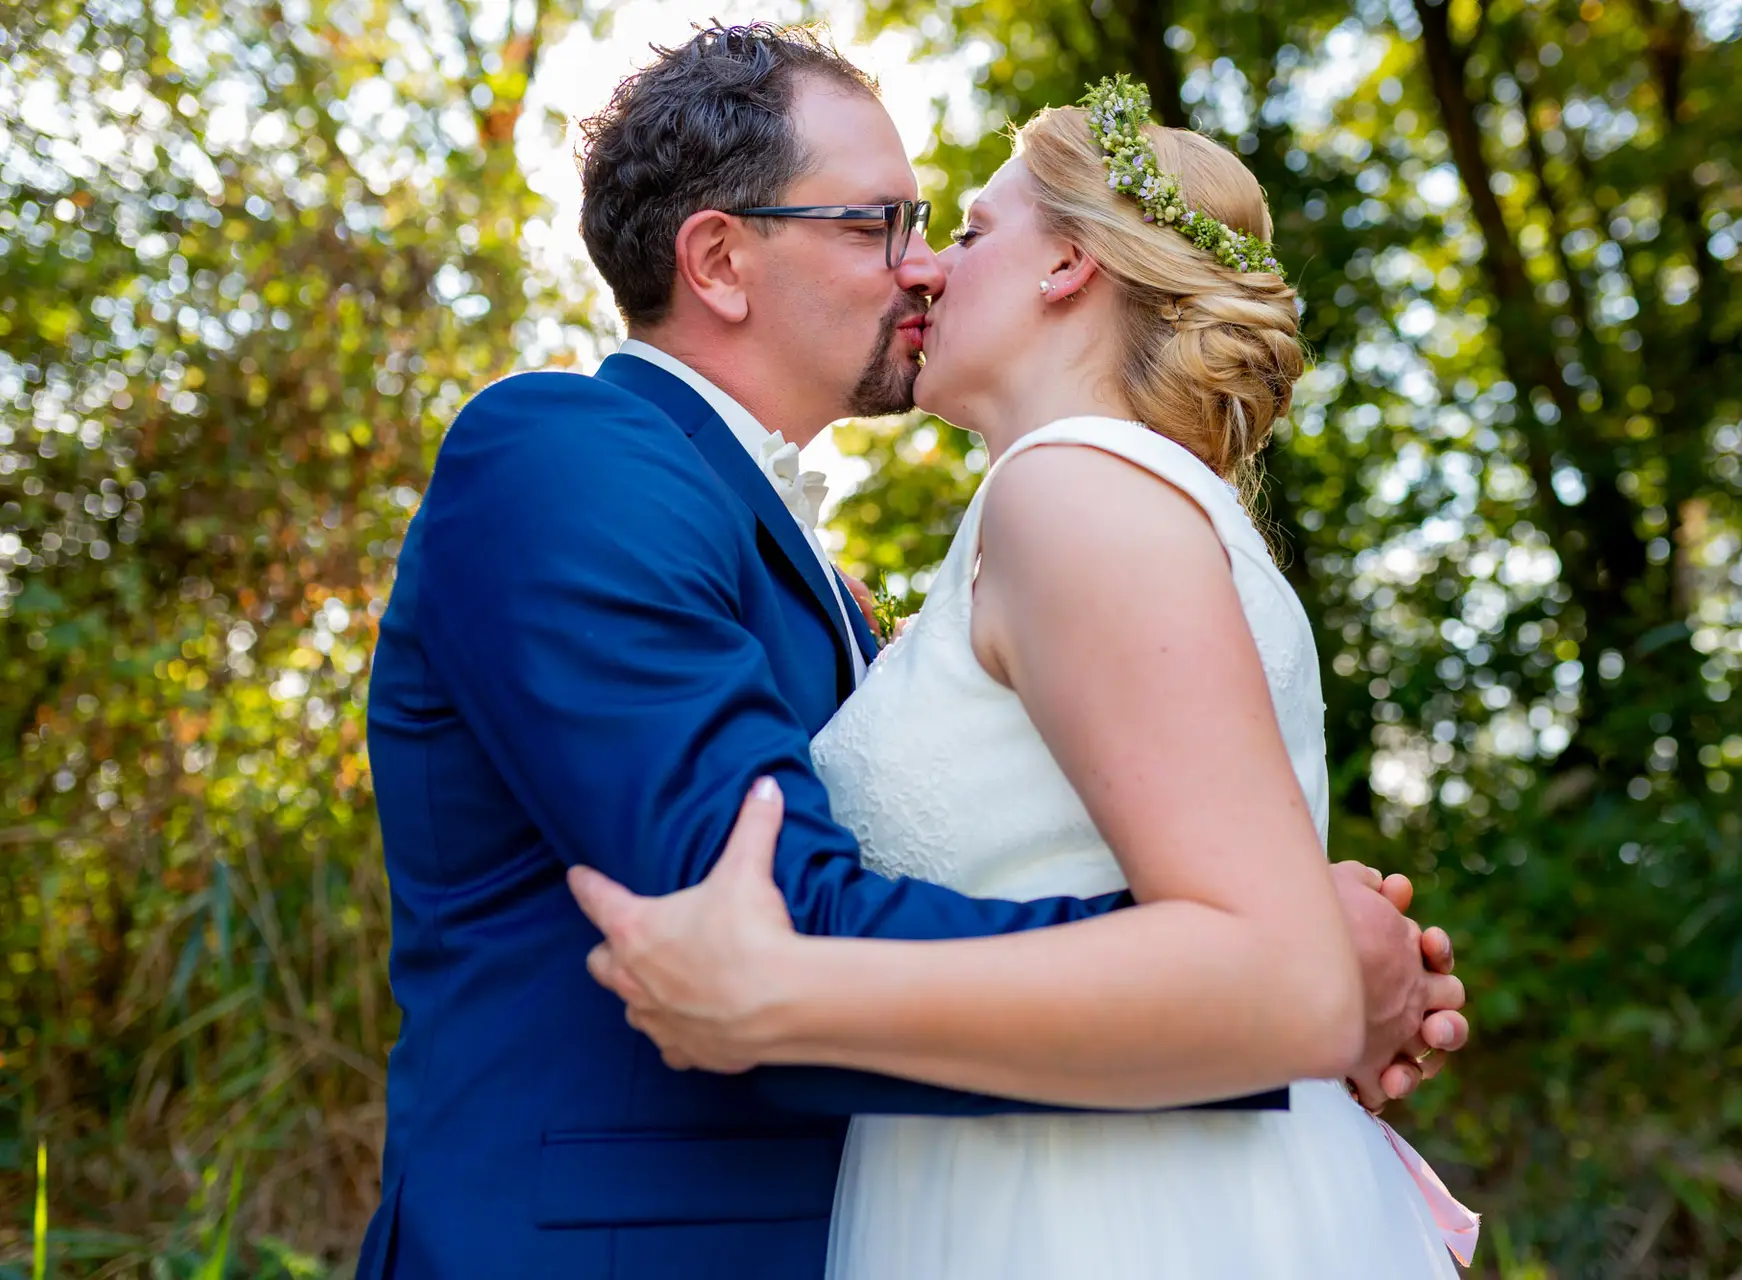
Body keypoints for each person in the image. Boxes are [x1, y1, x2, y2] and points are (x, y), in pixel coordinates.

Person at [356, 24, 1464, 1280]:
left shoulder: (913, 559)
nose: (922, 265)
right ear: (720, 259)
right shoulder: (565, 455)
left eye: (941, 223)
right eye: (879, 222)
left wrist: (1273, 962)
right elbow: (756, 914)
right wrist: (1274, 979)